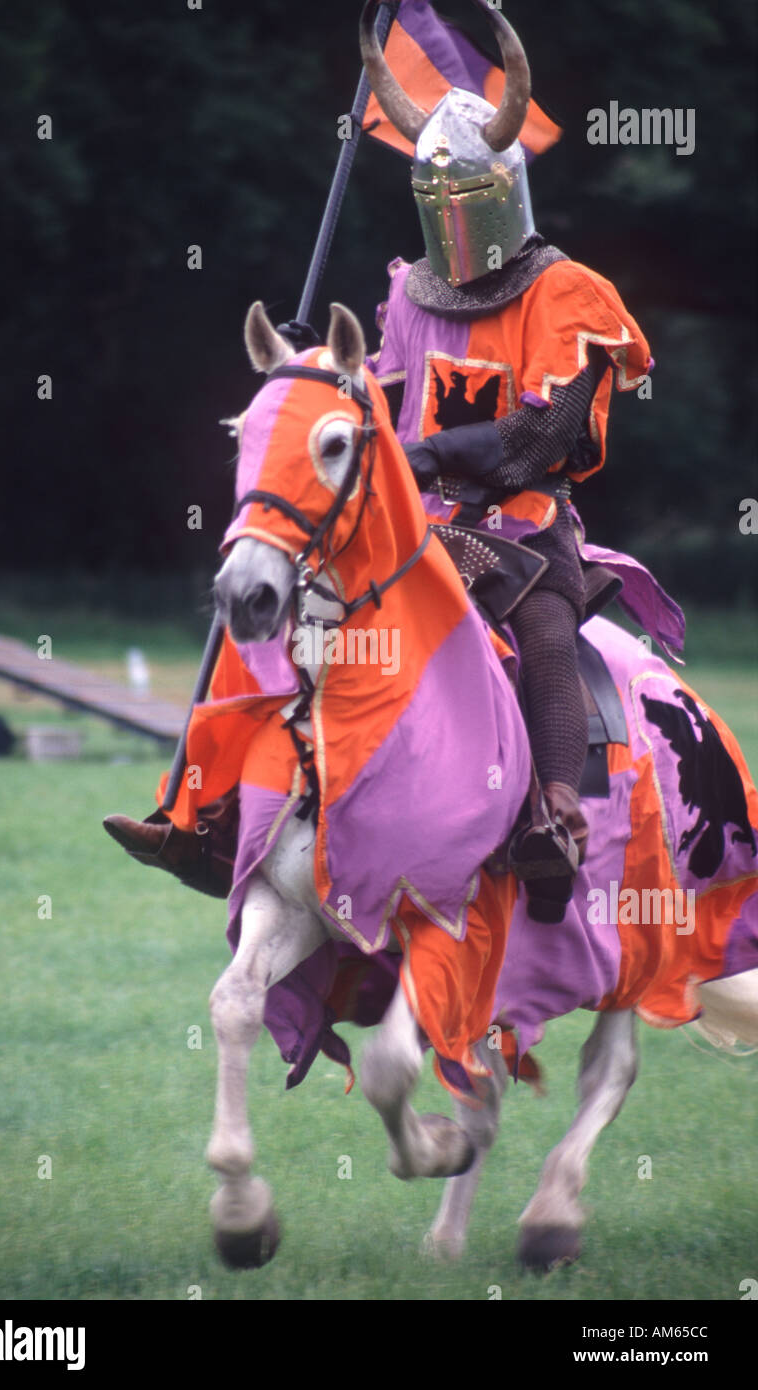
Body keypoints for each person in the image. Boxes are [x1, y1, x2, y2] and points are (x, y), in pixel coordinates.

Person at [359, 0, 653, 921]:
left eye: (468, 199)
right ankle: (229, 806)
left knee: (548, 637)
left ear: (505, 191)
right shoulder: (411, 292)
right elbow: (382, 395)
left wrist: (431, 452)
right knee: (305, 608)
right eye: (435, 200)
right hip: (417, 525)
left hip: (522, 525)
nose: (452, 218)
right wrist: (325, 374)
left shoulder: (567, 292)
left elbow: (539, 441)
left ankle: (553, 820)